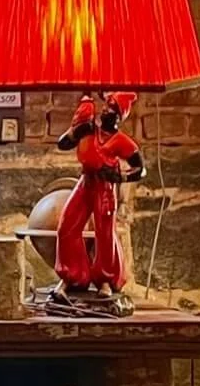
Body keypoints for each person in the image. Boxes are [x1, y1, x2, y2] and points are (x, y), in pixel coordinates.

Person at [53, 90, 145, 294]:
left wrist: (121, 177)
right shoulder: (89, 130)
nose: (106, 111)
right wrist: (75, 132)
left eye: (112, 109)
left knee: (104, 234)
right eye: (106, 106)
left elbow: (141, 169)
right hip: (85, 182)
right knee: (67, 226)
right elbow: (62, 144)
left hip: (105, 188)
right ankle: (73, 276)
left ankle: (105, 278)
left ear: (119, 116)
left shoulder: (122, 141)